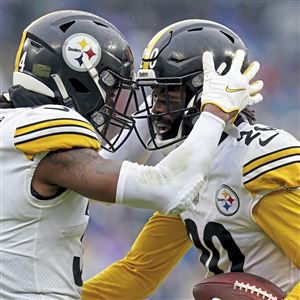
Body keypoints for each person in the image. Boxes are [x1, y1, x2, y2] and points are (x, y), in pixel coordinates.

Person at [0, 12, 262, 299]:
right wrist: (214, 110)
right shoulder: (50, 131)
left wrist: (165, 100)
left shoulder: (13, 124)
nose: (112, 101)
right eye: (111, 88)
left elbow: (109, 162)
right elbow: (171, 186)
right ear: (77, 80)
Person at [82, 20, 300, 300]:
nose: (157, 108)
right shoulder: (191, 168)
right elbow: (138, 272)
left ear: (204, 93)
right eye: (155, 94)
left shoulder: (258, 159)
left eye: (168, 94)